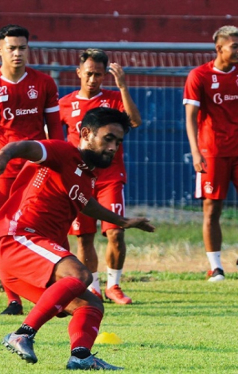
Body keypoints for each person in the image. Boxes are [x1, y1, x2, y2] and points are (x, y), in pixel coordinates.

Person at [0, 107, 154, 370]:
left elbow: (87, 204)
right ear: (85, 133)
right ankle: (22, 334)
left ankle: (81, 356)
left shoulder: (85, 177)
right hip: (18, 237)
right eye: (108, 138)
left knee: (90, 303)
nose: (114, 147)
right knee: (80, 275)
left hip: (31, 254)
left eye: (118, 142)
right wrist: (5, 153)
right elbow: (27, 146)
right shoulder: (62, 152)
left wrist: (123, 221)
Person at [0, 24, 64, 315]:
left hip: (37, 172)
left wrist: (60, 164)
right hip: (2, 175)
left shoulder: (44, 83)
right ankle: (13, 299)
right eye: (11, 47)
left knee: (47, 228)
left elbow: (55, 131)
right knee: (3, 236)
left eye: (22, 47)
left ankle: (55, 293)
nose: (17, 53)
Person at [183, 25, 238, 282]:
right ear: (219, 48)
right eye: (235, 46)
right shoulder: (198, 76)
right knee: (212, 210)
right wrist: (196, 152)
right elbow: (190, 117)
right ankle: (215, 267)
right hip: (212, 152)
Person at [59, 49, 142, 304]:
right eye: (89, 74)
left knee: (116, 231)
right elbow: (55, 137)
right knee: (84, 237)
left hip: (110, 177)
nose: (93, 79)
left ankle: (114, 285)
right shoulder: (65, 104)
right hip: (80, 179)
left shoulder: (114, 99)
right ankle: (93, 287)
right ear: (78, 73)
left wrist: (123, 87)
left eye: (98, 75)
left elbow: (135, 122)